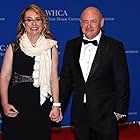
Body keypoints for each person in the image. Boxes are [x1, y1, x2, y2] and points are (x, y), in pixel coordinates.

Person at [60, 6, 129, 140]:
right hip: (80, 115)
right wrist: (58, 106)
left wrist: (120, 110)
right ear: (80, 24)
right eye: (85, 22)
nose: (88, 26)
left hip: (106, 114)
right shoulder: (71, 45)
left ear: (102, 23)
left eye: (93, 21)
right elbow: (66, 79)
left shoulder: (114, 46)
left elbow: (122, 80)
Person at [0, 4, 62, 140]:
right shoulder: (14, 46)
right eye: (29, 19)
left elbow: (53, 78)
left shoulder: (51, 48)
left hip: (41, 104)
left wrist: (56, 105)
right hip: (16, 103)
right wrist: (4, 104)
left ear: (43, 22)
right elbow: (4, 77)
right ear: (23, 23)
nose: (34, 23)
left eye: (37, 19)